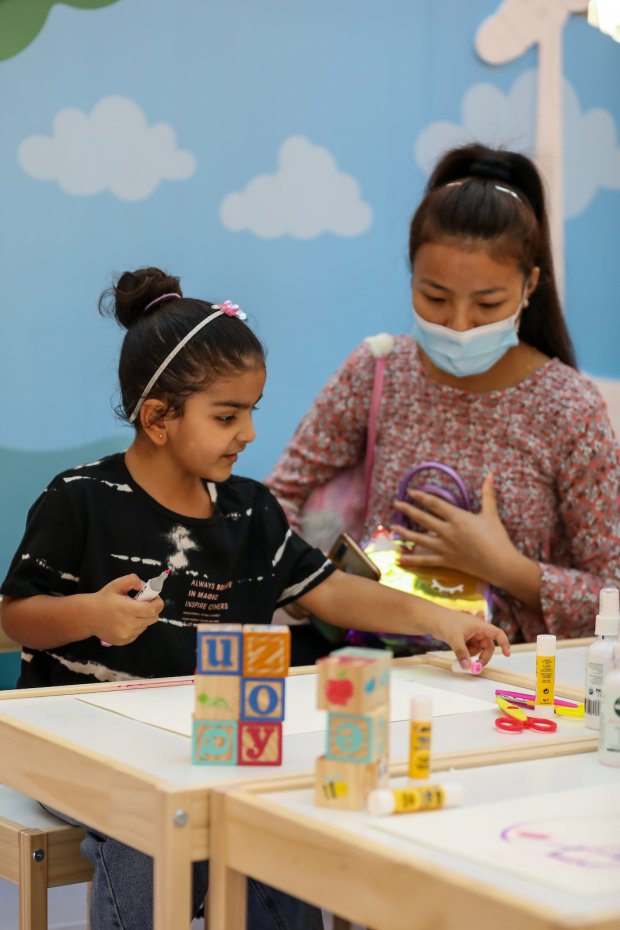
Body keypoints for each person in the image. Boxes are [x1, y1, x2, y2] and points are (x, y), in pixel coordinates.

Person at [0, 266, 509, 930]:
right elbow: (15, 616)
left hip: (204, 744)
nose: (248, 433)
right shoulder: (81, 499)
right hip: (79, 749)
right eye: (227, 416)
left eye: (251, 412)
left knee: (276, 827)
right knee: (151, 823)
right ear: (158, 418)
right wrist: (89, 613)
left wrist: (441, 619)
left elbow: (331, 591)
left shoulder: (249, 511)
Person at [266, 143, 620, 648]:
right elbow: (279, 495)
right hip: (376, 666)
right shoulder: (378, 368)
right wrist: (309, 584)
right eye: (434, 297)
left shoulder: (569, 407)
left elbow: (611, 593)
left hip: (508, 680)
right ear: (411, 275)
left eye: (487, 303)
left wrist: (504, 566)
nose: (458, 324)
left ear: (530, 286)